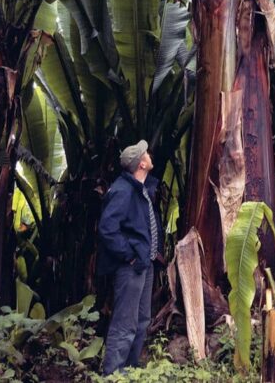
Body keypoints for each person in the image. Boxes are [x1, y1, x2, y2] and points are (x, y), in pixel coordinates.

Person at [97, 140, 164, 375]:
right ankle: (113, 374)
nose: (150, 154)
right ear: (141, 164)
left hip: (145, 264)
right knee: (125, 321)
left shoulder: (141, 190)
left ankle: (131, 370)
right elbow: (107, 228)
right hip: (131, 266)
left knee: (142, 319)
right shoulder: (123, 190)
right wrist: (130, 256)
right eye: (146, 153)